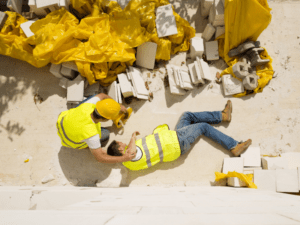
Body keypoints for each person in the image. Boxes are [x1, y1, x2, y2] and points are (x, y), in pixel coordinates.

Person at [107, 100, 252, 170]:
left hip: (173, 139)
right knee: (203, 127)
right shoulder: (130, 158)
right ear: (120, 149)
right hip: (177, 143)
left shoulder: (130, 164)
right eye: (121, 144)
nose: (124, 143)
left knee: (186, 116)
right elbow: (132, 153)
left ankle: (222, 116)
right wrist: (133, 136)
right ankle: (234, 146)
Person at [56, 93, 137, 163]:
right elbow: (100, 158)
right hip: (70, 141)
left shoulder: (88, 106)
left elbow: (102, 95)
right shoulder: (91, 134)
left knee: (95, 96)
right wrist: (124, 158)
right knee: (105, 134)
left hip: (63, 123)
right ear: (105, 119)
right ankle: (89, 147)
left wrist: (117, 106)